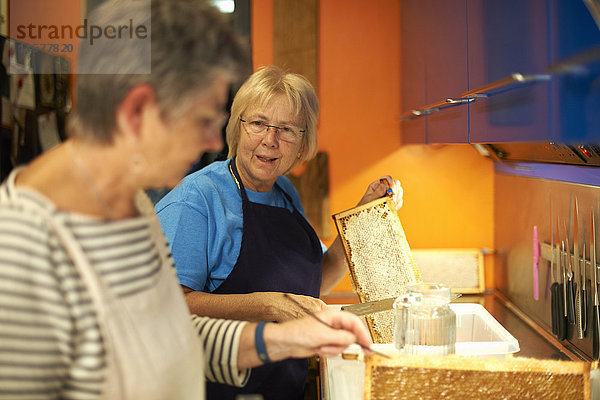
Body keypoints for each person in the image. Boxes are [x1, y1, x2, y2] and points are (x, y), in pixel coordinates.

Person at [0, 1, 373, 399]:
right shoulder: (22, 251)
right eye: (203, 121)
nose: (215, 141)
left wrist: (284, 340)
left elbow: (168, 333)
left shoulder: (131, 209)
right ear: (137, 111)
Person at [155, 65, 403, 399]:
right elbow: (169, 307)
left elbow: (315, 282)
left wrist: (365, 215)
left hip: (281, 386)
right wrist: (272, 306)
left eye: (287, 129)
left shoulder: (285, 192)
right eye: (258, 123)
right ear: (238, 128)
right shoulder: (196, 201)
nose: (270, 141)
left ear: (303, 143)